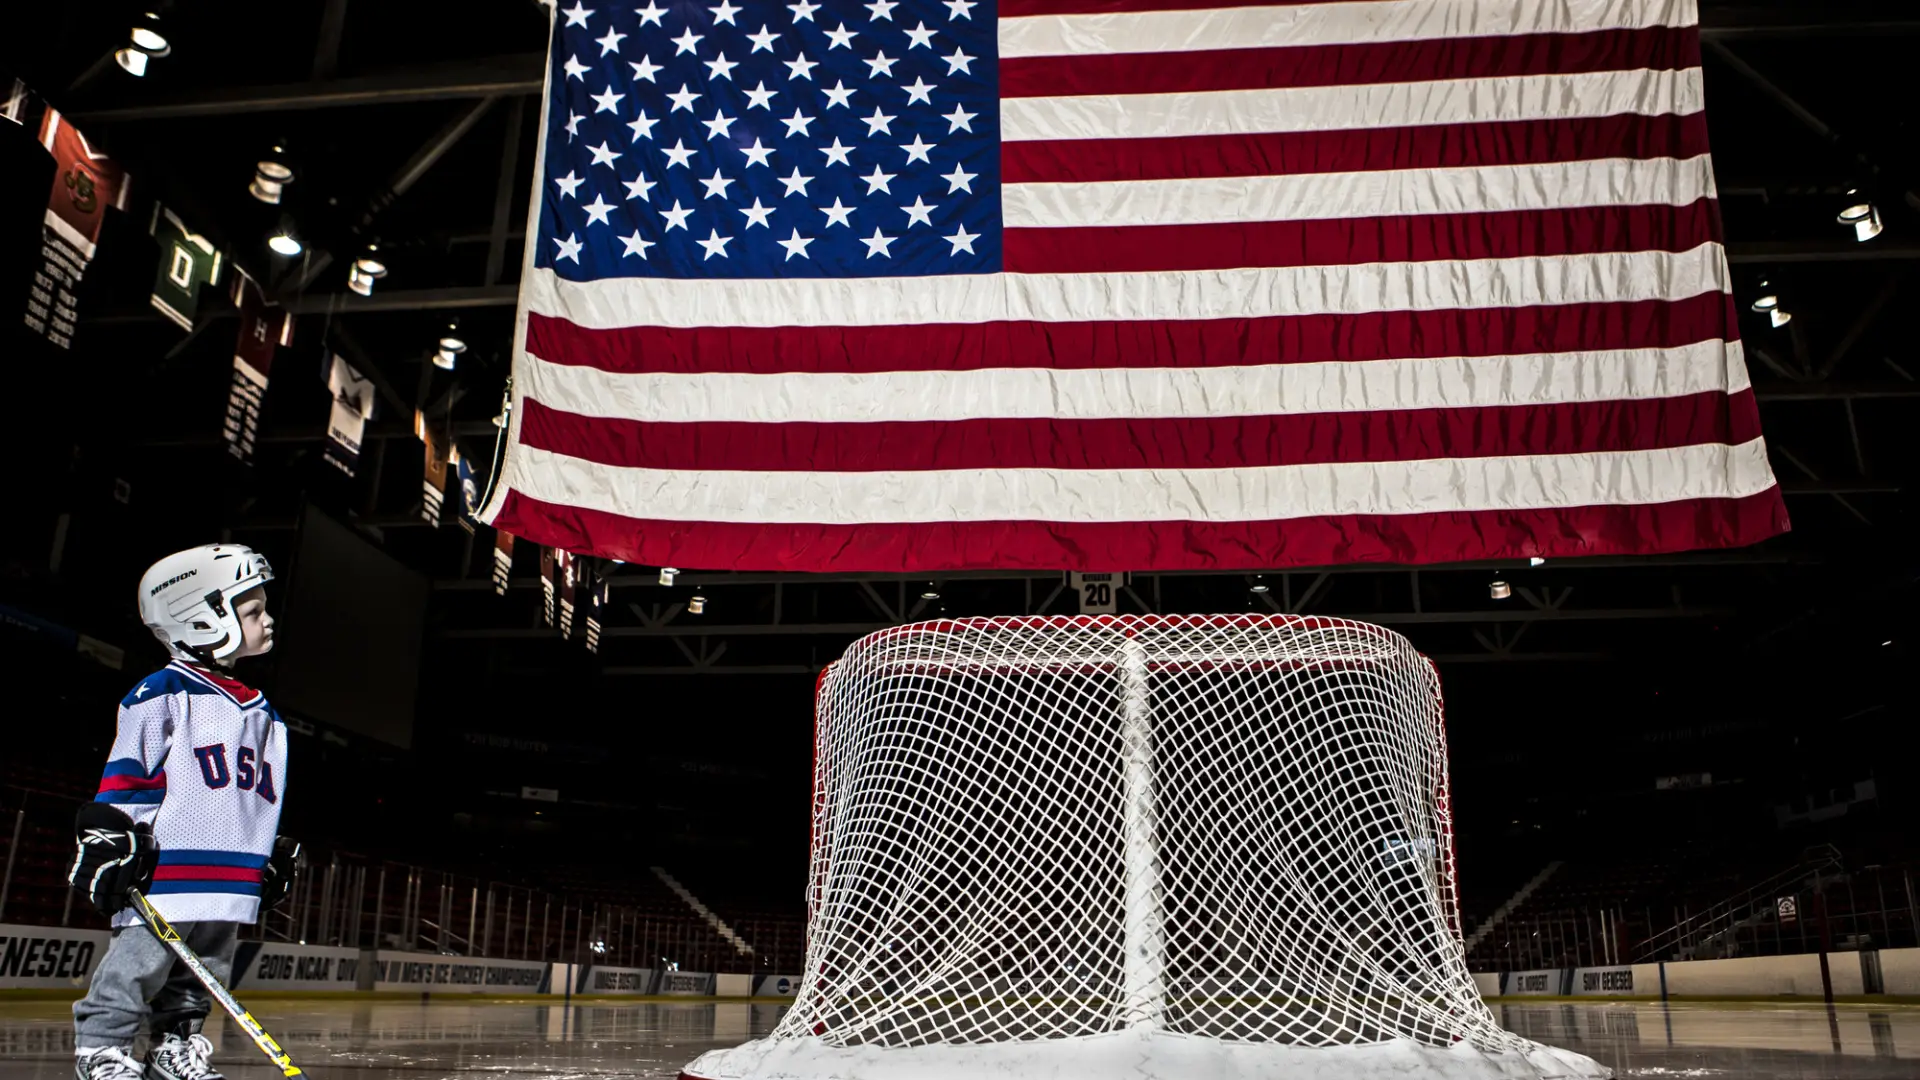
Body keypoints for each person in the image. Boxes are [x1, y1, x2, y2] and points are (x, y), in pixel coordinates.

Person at [68, 544, 300, 1080]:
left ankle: (176, 1046)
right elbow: (131, 773)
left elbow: (260, 794)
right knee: (137, 965)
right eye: (252, 611)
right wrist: (116, 837)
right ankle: (101, 1049)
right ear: (203, 617)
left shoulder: (265, 712)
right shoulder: (163, 692)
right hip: (168, 865)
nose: (267, 620)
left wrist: (265, 853)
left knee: (206, 971)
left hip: (230, 873)